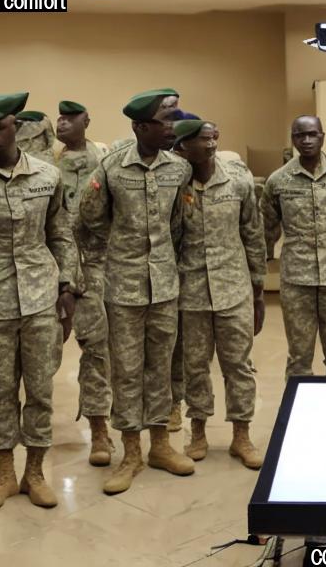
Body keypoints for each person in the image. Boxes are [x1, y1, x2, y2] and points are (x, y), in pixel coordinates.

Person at [0, 93, 75, 510]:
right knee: (1, 390)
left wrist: (67, 288)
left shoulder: (47, 176)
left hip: (41, 295)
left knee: (40, 389)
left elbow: (60, 232)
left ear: (15, 129)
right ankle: (5, 473)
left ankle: (36, 472)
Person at [80, 88, 195, 495]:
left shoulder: (179, 170)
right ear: (140, 126)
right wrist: (119, 254)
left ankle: (161, 444)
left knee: (162, 367)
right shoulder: (110, 169)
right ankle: (131, 451)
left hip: (164, 284)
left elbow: (179, 225)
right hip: (123, 287)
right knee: (126, 370)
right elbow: (89, 221)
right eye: (165, 121)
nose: (172, 129)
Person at [172, 120, 266, 469]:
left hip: (233, 289)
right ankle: (197, 431)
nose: (209, 145)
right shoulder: (175, 184)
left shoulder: (239, 181)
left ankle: (241, 434)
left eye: (213, 138)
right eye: (200, 140)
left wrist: (258, 291)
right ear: (183, 146)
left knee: (238, 365)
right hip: (191, 291)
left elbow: (253, 235)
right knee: (195, 365)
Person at [261, 116, 326, 377]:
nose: (306, 141)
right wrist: (256, 274)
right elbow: (268, 230)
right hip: (297, 278)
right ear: (292, 139)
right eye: (300, 135)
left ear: (322, 136)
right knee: (299, 355)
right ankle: (299, 412)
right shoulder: (278, 180)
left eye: (312, 134)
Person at [55, 100, 114, 465]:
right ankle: (32, 433)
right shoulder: (45, 165)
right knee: (41, 356)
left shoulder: (105, 161)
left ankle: (100, 431)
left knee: (97, 349)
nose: (62, 123)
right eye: (58, 117)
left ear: (86, 121)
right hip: (50, 271)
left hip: (95, 267)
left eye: (69, 118)